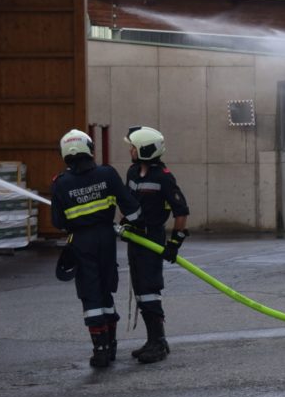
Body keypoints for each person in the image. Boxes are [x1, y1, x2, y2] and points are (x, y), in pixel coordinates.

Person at [51, 129, 143, 369]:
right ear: (89, 148)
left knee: (90, 293)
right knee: (105, 289)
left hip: (81, 242)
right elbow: (132, 209)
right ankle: (111, 345)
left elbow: (58, 222)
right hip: (106, 238)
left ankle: (100, 350)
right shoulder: (107, 174)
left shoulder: (60, 183)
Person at [123, 126, 190, 364]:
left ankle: (159, 342)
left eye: (133, 147)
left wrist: (175, 243)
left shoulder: (163, 177)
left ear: (144, 149)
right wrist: (126, 223)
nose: (130, 150)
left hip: (152, 238)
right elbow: (129, 202)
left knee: (150, 289)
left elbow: (181, 211)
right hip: (135, 239)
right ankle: (152, 340)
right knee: (140, 290)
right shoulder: (132, 172)